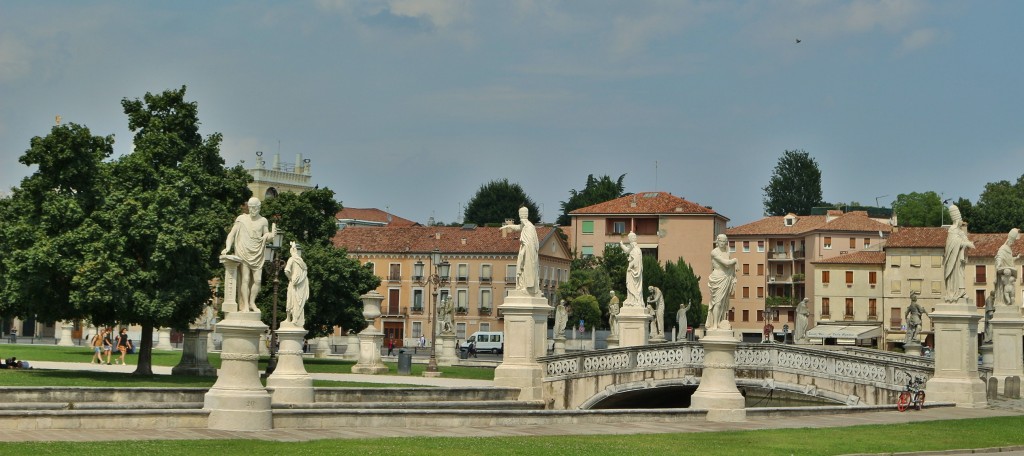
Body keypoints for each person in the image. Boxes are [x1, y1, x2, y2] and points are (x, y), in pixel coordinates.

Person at [222, 197, 278, 312]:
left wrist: (271, 236)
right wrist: (228, 247)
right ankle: (246, 305)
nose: (252, 210)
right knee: (245, 279)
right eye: (251, 208)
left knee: (257, 280)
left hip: (257, 252)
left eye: (255, 208)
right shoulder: (241, 219)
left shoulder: (263, 221)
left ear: (259, 208)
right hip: (244, 251)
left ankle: (252, 302)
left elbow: (266, 235)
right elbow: (231, 234)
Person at [500, 207, 540, 296]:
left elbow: (529, 243)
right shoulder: (527, 225)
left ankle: (526, 287)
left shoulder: (529, 227)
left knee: (526, 269)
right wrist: (508, 226)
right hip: (526, 251)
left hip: (528, 253)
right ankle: (523, 286)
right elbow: (519, 227)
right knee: (523, 269)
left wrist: (523, 252)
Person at [705, 234, 738, 331]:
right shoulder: (714, 252)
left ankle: (719, 322)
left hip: (725, 278)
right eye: (721, 241)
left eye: (724, 241)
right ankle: (714, 324)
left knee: (723, 304)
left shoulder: (727, 252)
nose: (722, 243)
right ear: (717, 241)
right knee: (717, 302)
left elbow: (728, 267)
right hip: (717, 277)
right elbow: (726, 263)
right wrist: (736, 260)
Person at [943, 204, 975, 302]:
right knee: (956, 275)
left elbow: (963, 239)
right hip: (954, 259)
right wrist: (966, 244)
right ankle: (954, 292)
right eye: (960, 218)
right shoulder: (952, 229)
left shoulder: (959, 231)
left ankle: (961, 292)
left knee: (961, 274)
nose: (962, 221)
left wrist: (968, 243)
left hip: (959, 258)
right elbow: (953, 243)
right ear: (957, 220)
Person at [284, 242, 309, 328]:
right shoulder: (302, 262)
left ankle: (289, 319)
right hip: (301, 284)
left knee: (291, 299)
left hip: (294, 283)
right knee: (298, 302)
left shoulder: (291, 259)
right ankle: (295, 319)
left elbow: (286, 270)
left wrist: (290, 278)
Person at [621, 232, 643, 306]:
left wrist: (630, 267)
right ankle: (631, 299)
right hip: (633, 270)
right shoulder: (635, 248)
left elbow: (636, 260)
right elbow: (628, 250)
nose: (628, 239)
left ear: (631, 238)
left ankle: (635, 300)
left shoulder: (635, 249)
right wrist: (622, 245)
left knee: (632, 285)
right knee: (631, 286)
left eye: (629, 238)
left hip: (633, 271)